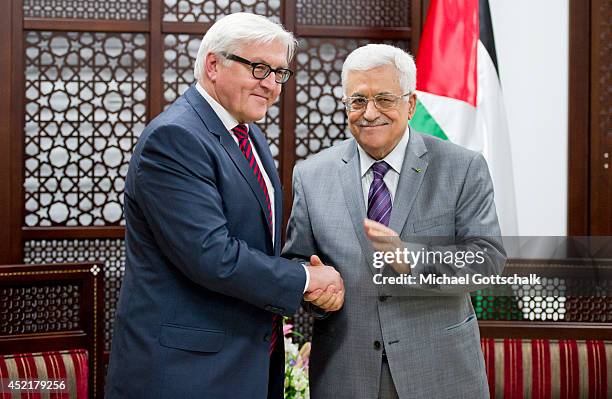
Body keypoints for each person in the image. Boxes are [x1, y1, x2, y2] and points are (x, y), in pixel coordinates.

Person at [105, 13, 344, 399]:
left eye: (279, 73)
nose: (270, 85)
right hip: (185, 374)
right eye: (259, 68)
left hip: (243, 364)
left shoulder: (248, 135)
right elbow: (210, 254)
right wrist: (304, 280)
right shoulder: (175, 138)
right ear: (214, 64)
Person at [283, 44, 506, 399]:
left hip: (438, 374)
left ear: (411, 104)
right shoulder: (311, 175)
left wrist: (412, 260)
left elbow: (487, 260)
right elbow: (298, 262)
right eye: (357, 101)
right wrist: (315, 294)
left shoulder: (462, 167)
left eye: (384, 99)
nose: (369, 113)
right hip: (346, 374)